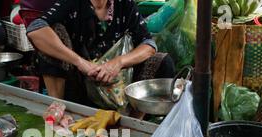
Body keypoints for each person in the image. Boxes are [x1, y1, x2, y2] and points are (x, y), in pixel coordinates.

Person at [27, 0, 175, 104]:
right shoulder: (71, 3)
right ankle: (58, 107)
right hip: (80, 85)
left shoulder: (125, 4)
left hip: (119, 86)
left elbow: (148, 44)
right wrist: (80, 63)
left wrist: (118, 62)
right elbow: (36, 29)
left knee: (162, 61)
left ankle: (134, 119)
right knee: (52, 34)